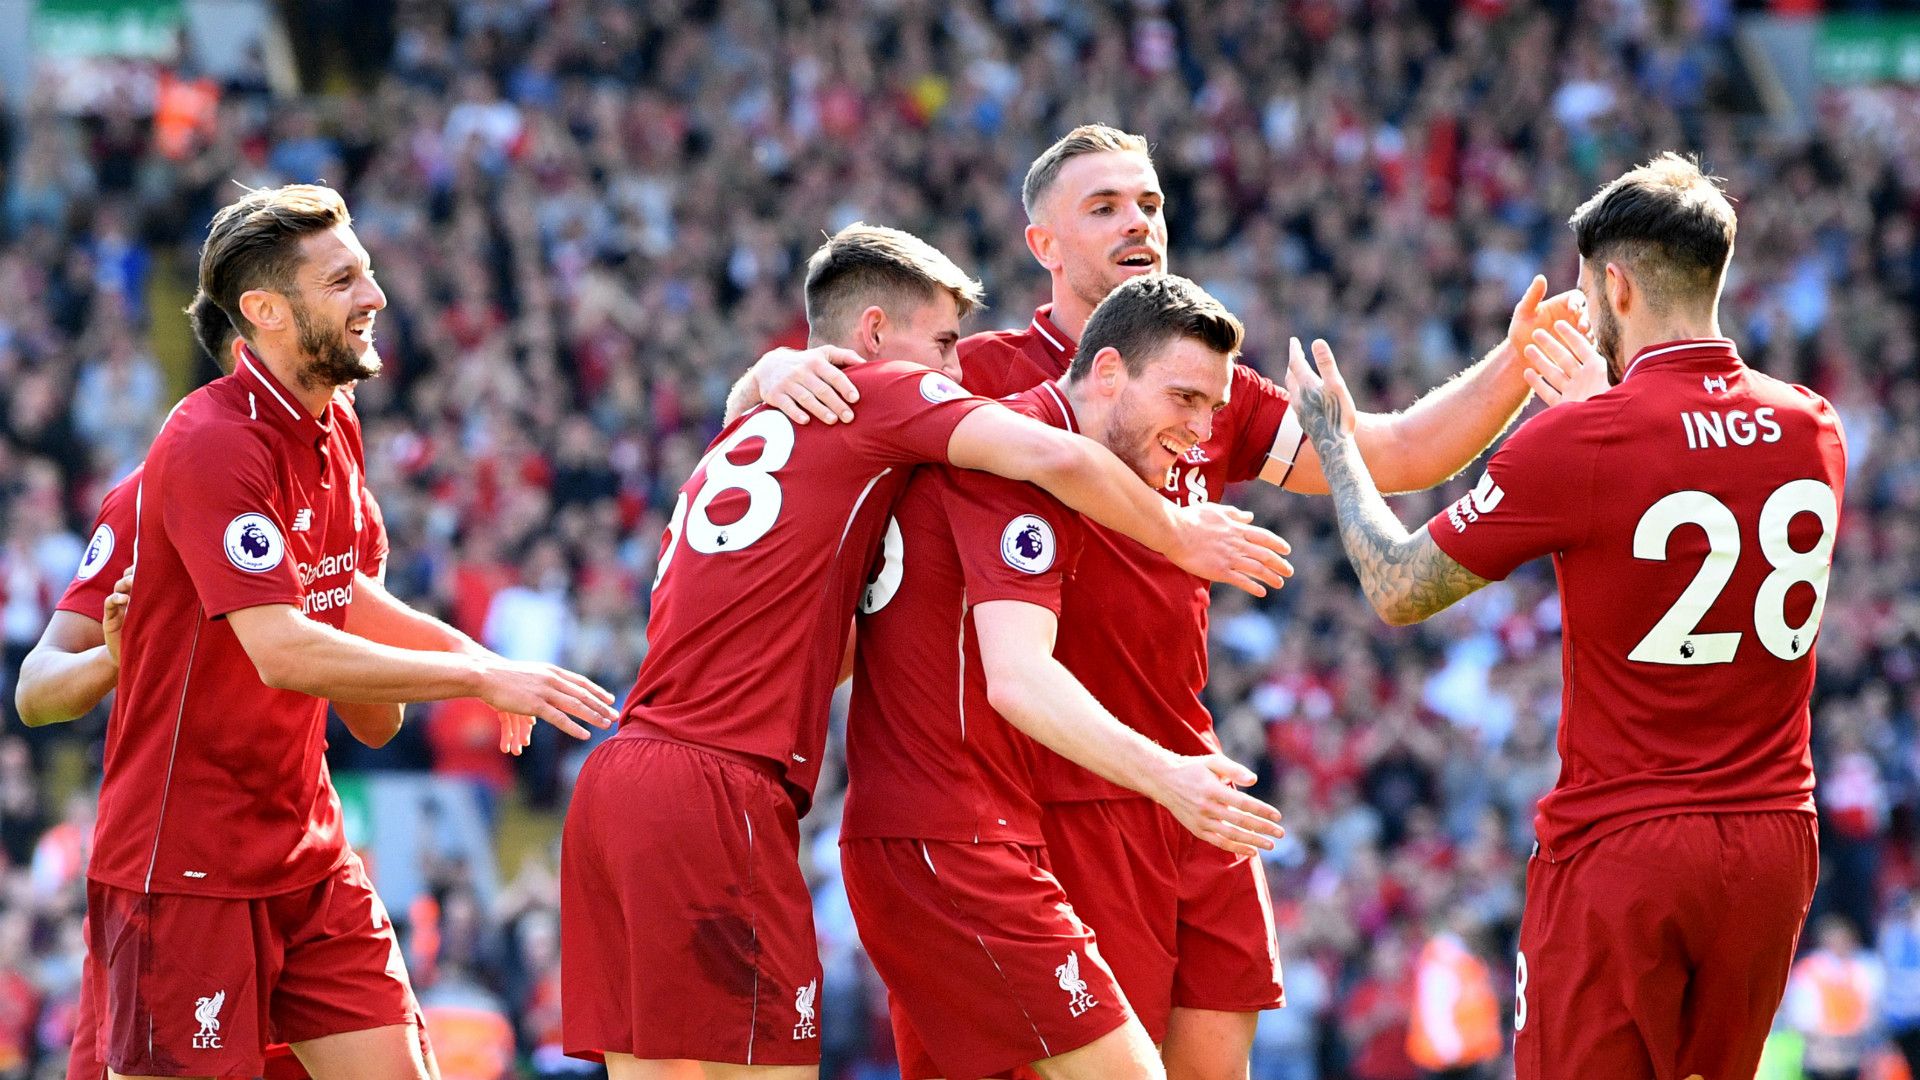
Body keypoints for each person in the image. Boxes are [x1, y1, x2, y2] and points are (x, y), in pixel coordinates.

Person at [736, 123, 1580, 1079]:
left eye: (1150, 203)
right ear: (1042, 245)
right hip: (1066, 797)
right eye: (1104, 207)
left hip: (1195, 787)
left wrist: (1518, 365)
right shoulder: (976, 376)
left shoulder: (1196, 380)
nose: (1139, 221)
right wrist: (767, 374)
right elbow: (825, 420)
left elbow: (1395, 455)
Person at [560, 223, 1293, 1080]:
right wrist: (1177, 535)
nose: (957, 368)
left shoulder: (767, 421)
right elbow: (1051, 467)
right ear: (873, 336)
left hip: (630, 775)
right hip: (771, 799)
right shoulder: (895, 405)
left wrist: (763, 371)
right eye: (944, 343)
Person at [1286, 153, 1846, 1079]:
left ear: (1616, 287)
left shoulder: (1585, 440)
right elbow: (1686, 465)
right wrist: (1610, 410)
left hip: (1626, 846)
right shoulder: (1813, 426)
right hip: (1774, 840)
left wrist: (1340, 451)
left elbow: (1398, 586)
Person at [88, 182, 619, 1080]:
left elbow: (344, 594)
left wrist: (477, 658)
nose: (374, 296)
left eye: (366, 272)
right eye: (342, 281)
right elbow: (284, 646)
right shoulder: (213, 441)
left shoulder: (333, 422)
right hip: (185, 869)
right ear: (266, 311)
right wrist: (476, 682)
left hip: (307, 849)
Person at [840, 275, 1286, 1080]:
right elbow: (1017, 678)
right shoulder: (1016, 453)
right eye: (1184, 399)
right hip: (951, 838)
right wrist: (1171, 777)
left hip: (977, 827)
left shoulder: (1011, 447)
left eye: (1213, 410)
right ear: (1107, 371)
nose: (1201, 430)